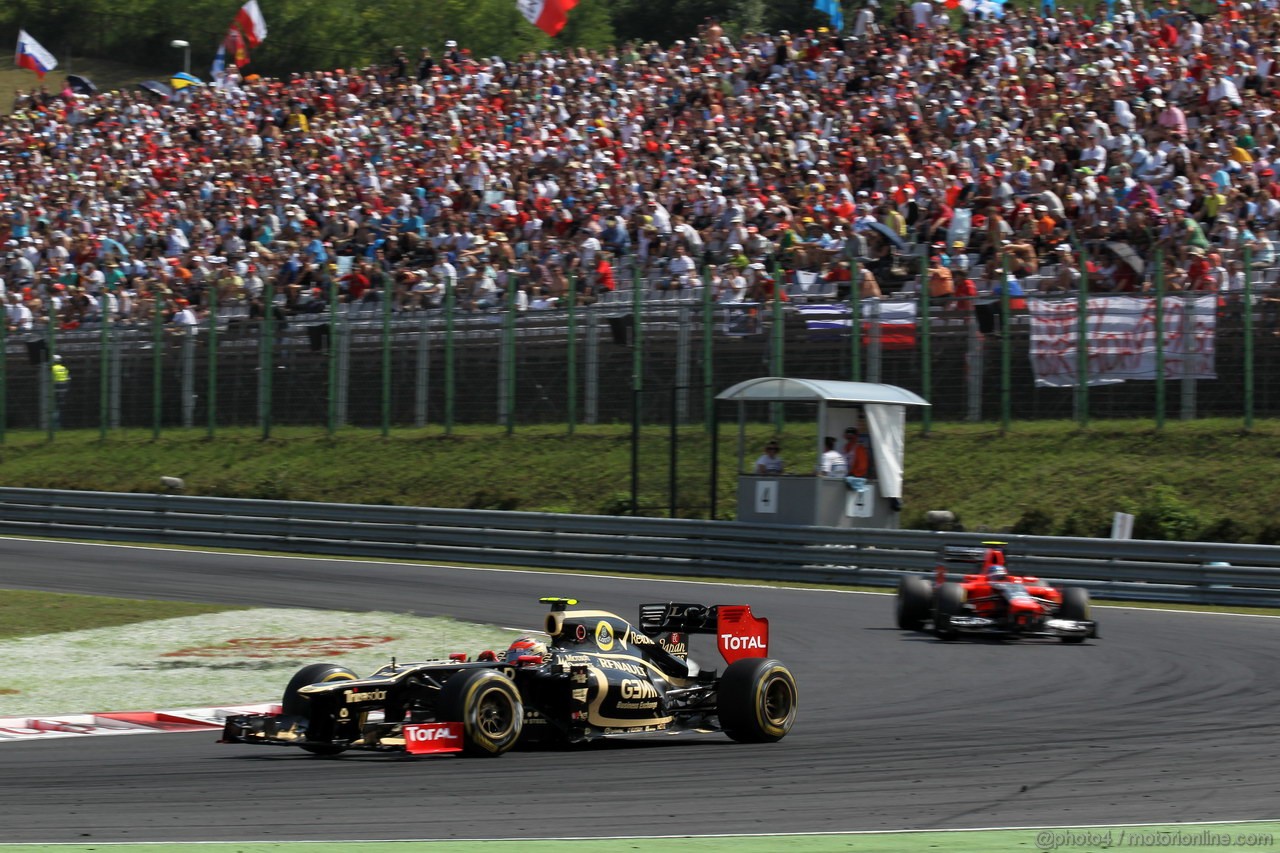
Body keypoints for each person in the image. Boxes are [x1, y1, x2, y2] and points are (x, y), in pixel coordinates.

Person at [50, 354, 70, 429]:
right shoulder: (64, 368)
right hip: (64, 392)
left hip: (55, 391)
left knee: (54, 408)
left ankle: (54, 426)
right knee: (60, 408)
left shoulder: (52, 368)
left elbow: (50, 380)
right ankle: (59, 425)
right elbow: (68, 380)